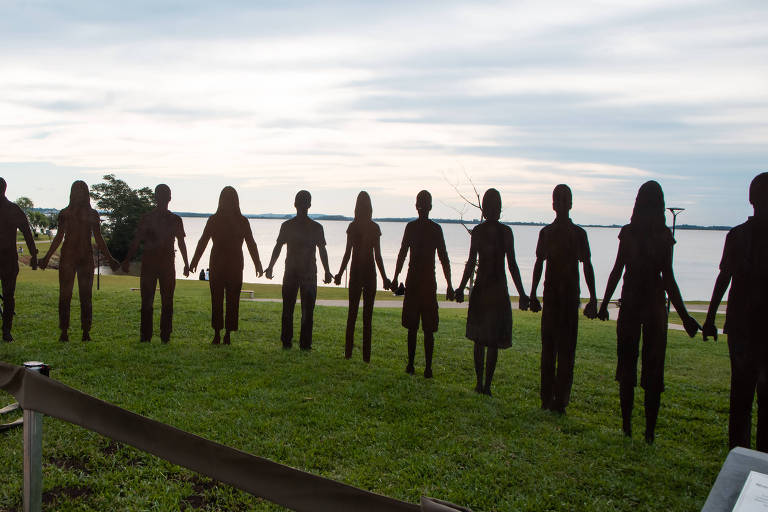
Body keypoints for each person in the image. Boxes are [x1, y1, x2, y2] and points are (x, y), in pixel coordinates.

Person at [597, 180, 700, 443]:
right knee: (653, 370)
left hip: (632, 304)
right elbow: (669, 280)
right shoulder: (662, 236)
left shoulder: (630, 233)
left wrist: (604, 304)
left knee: (627, 367)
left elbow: (617, 270)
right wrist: (684, 317)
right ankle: (649, 432)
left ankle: (627, 426)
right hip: (653, 306)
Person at [703, 172, 768, 451]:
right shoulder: (737, 236)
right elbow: (723, 278)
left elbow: (723, 279)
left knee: (740, 397)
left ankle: (739, 455)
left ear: (750, 199)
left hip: (742, 326)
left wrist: (709, 319)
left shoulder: (737, 235)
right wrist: (709, 319)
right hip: (751, 328)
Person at [528, 184, 598, 413]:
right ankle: (552, 399)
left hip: (566, 300)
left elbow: (587, 266)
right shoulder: (551, 233)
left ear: (560, 205)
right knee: (555, 351)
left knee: (560, 351)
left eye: (561, 200)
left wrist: (594, 298)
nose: (560, 204)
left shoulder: (573, 234)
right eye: (560, 200)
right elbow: (539, 264)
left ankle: (555, 399)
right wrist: (533, 294)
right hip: (556, 300)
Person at [455, 188, 529, 395]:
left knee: (488, 340)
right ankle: (482, 384)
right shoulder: (496, 232)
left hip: (491, 289)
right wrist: (460, 287)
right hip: (491, 289)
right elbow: (472, 262)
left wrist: (523, 293)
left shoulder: (494, 232)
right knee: (484, 340)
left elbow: (511, 264)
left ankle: (484, 384)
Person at [39, 180, 119, 342]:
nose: (79, 194)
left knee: (86, 296)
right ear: (72, 193)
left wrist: (110, 258)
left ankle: (86, 331)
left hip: (85, 258)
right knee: (65, 295)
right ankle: (64, 331)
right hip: (68, 257)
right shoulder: (65, 214)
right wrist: (47, 257)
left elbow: (99, 238)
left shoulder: (92, 214)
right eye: (77, 191)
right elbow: (58, 237)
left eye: (81, 191)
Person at [391, 190, 454, 378]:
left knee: (421, 328)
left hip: (422, 283)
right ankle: (422, 366)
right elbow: (443, 259)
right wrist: (449, 284)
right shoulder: (431, 229)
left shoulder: (417, 228)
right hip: (422, 283)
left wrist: (450, 284)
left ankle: (419, 366)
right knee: (422, 329)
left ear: (417, 206)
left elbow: (442, 258)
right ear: (430, 207)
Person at [189, 186, 262, 345]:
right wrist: (194, 261)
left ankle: (226, 333)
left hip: (231, 263)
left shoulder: (240, 221)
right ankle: (219, 333)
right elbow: (203, 241)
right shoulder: (217, 220)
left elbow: (251, 244)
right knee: (219, 299)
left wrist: (258, 264)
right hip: (220, 263)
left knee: (231, 299)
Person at [264, 190, 333, 350]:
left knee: (292, 310)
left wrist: (270, 266)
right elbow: (322, 250)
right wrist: (327, 271)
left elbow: (278, 247)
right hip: (302, 273)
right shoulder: (314, 227)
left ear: (295, 204)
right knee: (303, 312)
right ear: (309, 205)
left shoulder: (290, 226)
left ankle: (289, 342)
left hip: (299, 273)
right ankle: (302, 344)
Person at [121, 184, 190, 343]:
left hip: (159, 264)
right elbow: (181, 244)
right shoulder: (167, 219)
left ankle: (152, 335)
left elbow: (137, 241)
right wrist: (186, 264)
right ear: (169, 198)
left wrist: (127, 260)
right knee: (159, 301)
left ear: (155, 197)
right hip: (155, 264)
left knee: (155, 301)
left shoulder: (163, 219)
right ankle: (159, 335)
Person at [333, 191, 391, 362]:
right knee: (368, 317)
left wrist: (339, 274)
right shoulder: (374, 227)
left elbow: (347, 254)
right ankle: (366, 356)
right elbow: (378, 256)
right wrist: (385, 278)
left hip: (356, 272)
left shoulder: (353, 226)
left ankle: (348, 353)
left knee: (352, 314)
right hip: (370, 273)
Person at [0, 177, 38, 342]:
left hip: (8, 259)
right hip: (8, 258)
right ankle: (6, 331)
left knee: (9, 296)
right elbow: (28, 234)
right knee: (9, 296)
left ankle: (6, 331)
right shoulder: (13, 209)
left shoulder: (13, 209)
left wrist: (34, 255)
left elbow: (28, 234)